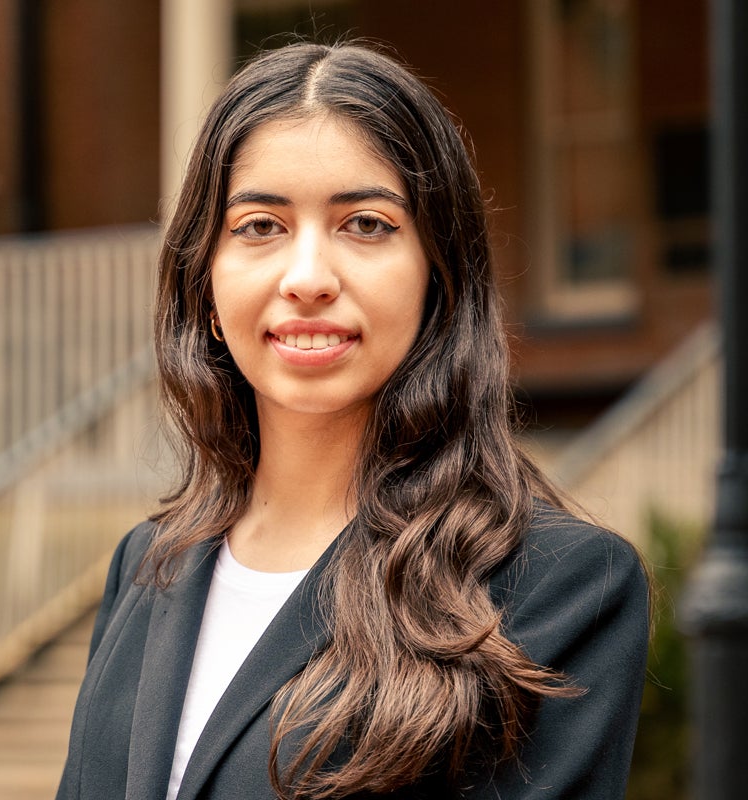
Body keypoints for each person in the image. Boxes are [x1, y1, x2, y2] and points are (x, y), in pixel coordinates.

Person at [56, 40, 649, 800]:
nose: (307, 279)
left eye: (366, 224)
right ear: (205, 286)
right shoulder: (146, 566)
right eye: (260, 226)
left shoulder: (559, 588)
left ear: (439, 278)